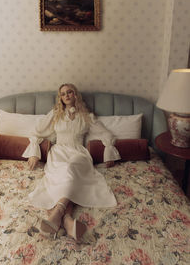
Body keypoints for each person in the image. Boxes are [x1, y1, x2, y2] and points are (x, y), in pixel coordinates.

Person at [22, 83, 120, 241]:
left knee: (71, 169)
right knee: (64, 175)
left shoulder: (86, 116)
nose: (66, 95)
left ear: (75, 95)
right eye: (63, 94)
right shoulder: (55, 114)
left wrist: (108, 152)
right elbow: (37, 132)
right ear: (60, 98)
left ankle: (57, 213)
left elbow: (106, 134)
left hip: (78, 152)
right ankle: (67, 222)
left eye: (70, 92)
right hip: (59, 152)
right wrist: (34, 152)